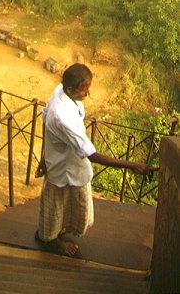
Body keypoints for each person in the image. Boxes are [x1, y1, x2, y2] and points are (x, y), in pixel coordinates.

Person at [35, 63, 155, 257]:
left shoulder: (60, 91)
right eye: (84, 90)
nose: (87, 94)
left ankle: (60, 230)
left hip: (65, 161)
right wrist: (133, 165)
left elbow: (45, 120)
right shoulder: (62, 116)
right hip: (64, 166)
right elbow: (91, 153)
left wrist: (43, 157)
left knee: (67, 202)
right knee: (55, 203)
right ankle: (50, 240)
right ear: (70, 89)